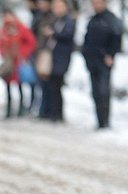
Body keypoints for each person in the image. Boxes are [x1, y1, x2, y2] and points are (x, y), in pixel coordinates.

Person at [82, 0, 123, 129]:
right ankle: (99, 121)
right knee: (96, 93)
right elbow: (87, 40)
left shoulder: (111, 20)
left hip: (104, 63)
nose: (96, 6)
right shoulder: (93, 20)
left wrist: (111, 54)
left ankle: (105, 122)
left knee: (103, 92)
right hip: (92, 62)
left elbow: (117, 38)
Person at [41, 0, 76, 122]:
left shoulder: (69, 21)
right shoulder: (54, 20)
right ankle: (51, 113)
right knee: (51, 86)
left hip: (61, 59)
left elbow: (67, 36)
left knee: (57, 87)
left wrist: (53, 33)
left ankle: (58, 115)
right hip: (52, 57)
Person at [0, 11, 36, 118]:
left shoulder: (21, 28)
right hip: (8, 63)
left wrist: (22, 53)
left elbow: (31, 42)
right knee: (8, 86)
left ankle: (21, 109)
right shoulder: (3, 30)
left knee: (20, 85)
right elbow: (0, 44)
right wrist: (3, 53)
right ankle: (9, 109)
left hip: (18, 63)